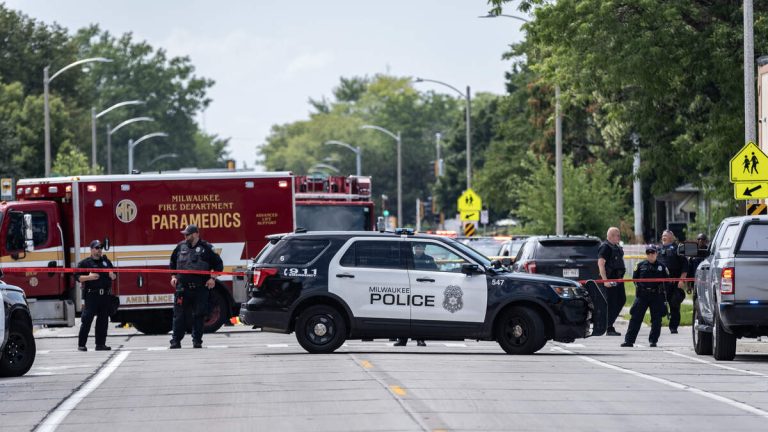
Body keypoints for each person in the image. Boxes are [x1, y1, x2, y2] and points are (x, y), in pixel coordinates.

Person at [169, 224, 223, 349]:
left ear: (196, 234)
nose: (185, 236)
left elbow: (219, 265)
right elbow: (172, 263)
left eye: (187, 234)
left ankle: (197, 341)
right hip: (182, 288)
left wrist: (212, 278)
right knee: (179, 315)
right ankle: (175, 341)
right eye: (185, 234)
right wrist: (173, 276)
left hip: (200, 289)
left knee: (199, 315)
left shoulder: (207, 248)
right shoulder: (180, 247)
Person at [621, 245, 668, 348]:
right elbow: (634, 279)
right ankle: (629, 341)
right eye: (648, 253)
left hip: (656, 295)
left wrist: (665, 298)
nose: (650, 255)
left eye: (653, 253)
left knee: (656, 320)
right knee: (635, 318)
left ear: (656, 253)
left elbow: (667, 282)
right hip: (642, 295)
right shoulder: (640, 265)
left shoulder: (662, 267)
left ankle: (653, 341)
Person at [76, 240, 117, 351]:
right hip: (91, 296)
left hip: (105, 296)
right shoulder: (85, 263)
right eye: (97, 248)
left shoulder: (106, 262)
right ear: (91, 249)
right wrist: (89, 277)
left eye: (100, 248)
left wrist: (112, 274)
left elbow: (114, 276)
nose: (99, 250)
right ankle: (81, 344)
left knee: (103, 321)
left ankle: (100, 344)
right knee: (87, 320)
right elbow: (77, 277)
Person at [394, 243, 434, 347]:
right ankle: (402, 339)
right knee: (404, 313)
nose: (418, 249)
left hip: (423, 288)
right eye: (416, 247)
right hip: (408, 288)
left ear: (424, 248)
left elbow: (434, 271)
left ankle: (420, 339)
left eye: (420, 247)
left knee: (420, 314)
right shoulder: (409, 257)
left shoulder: (429, 259)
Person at [656, 230, 688, 334]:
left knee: (674, 304)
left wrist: (682, 279)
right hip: (661, 283)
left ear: (671, 237)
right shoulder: (658, 249)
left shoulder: (677, 249)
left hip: (674, 282)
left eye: (665, 235)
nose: (663, 237)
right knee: (658, 305)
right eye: (662, 235)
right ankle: (656, 325)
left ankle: (673, 327)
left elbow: (685, 266)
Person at [597, 227, 626, 336]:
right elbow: (601, 264)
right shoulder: (605, 247)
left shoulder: (616, 247)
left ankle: (609, 324)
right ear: (611, 236)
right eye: (617, 235)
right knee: (612, 303)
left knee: (621, 300)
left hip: (618, 279)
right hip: (610, 280)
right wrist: (605, 281)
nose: (619, 237)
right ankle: (608, 326)